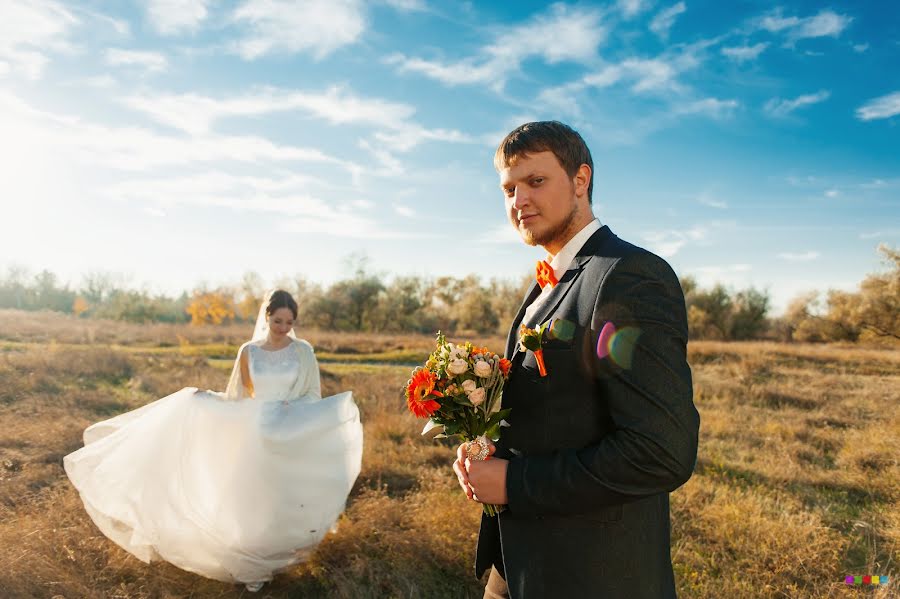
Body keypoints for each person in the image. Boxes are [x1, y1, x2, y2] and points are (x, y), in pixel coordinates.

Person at [453, 121, 700, 598]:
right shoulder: (549, 280)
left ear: (581, 181)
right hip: (518, 561)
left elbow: (661, 451)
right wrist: (487, 453)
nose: (518, 200)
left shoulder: (628, 277)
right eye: (509, 188)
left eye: (536, 181)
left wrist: (516, 483)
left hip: (589, 572)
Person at [64, 289, 363, 592]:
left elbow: (312, 393)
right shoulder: (249, 351)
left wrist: (292, 408)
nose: (283, 328)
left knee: (280, 499)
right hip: (254, 430)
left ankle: (276, 556)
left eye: (289, 322)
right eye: (278, 321)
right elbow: (238, 396)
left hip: (288, 429)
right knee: (251, 500)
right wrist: (205, 398)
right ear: (267, 317)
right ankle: (252, 566)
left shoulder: (303, 351)